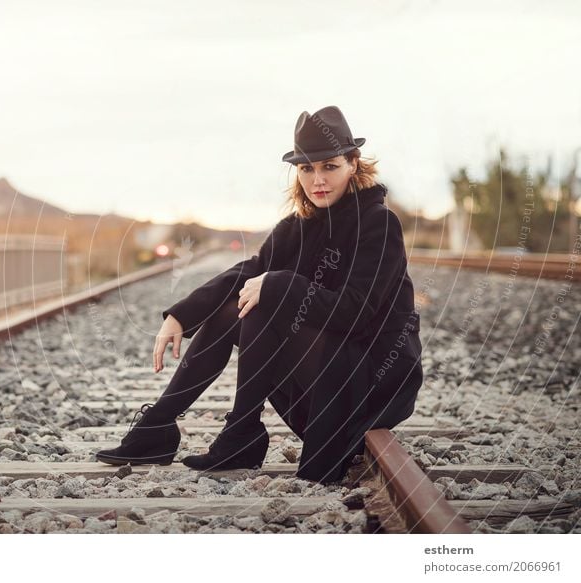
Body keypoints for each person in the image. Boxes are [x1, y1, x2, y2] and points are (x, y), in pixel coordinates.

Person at [96, 105, 423, 483]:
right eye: (306, 169)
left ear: (353, 164)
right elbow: (248, 273)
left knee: (265, 302)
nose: (317, 179)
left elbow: (355, 312)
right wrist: (181, 315)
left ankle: (241, 433)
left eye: (329, 166)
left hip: (368, 376)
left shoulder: (378, 224)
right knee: (236, 305)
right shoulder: (296, 228)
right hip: (324, 373)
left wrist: (279, 283)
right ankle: (159, 425)